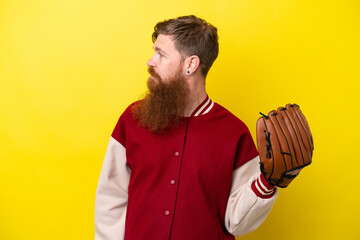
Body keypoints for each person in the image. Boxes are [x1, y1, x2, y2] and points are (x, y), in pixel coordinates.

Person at [95, 15, 278, 240]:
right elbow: (110, 203)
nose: (150, 61)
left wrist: (267, 183)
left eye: (161, 54)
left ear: (190, 64)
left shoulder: (235, 134)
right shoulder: (132, 120)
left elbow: (236, 222)